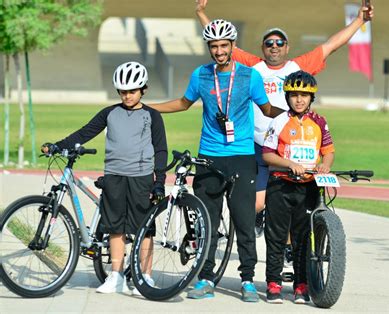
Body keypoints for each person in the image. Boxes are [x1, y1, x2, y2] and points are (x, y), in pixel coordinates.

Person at [195, 0, 373, 238]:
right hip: (258, 145)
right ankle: (258, 217)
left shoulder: (299, 66)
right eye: (269, 43)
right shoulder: (253, 66)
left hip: (290, 147)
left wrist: (360, 20)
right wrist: (201, 13)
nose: (274, 46)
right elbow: (220, 41)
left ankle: (289, 247)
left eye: (280, 42)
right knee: (256, 204)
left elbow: (332, 45)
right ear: (263, 47)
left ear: (287, 47)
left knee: (293, 201)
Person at [147, 19, 283, 302]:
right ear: (209, 47)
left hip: (242, 156)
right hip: (209, 157)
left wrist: (299, 110)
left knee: (244, 221)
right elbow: (183, 104)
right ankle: (205, 278)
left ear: (232, 46)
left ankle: (247, 280)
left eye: (224, 45)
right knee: (205, 222)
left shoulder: (249, 76)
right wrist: (146, 107)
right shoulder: (201, 75)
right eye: (214, 46)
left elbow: (268, 108)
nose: (219, 51)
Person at [41, 61, 168, 295]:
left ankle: (145, 277)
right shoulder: (110, 113)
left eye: (132, 91)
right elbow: (85, 132)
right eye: (123, 91)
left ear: (143, 90)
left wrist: (159, 181)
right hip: (114, 176)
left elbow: (160, 150)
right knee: (115, 227)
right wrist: (58, 146)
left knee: (144, 229)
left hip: (141, 178)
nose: (127, 96)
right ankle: (117, 276)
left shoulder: (152, 116)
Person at [261, 70, 335, 304]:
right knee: (276, 235)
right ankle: (273, 283)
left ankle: (301, 285)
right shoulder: (279, 121)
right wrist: (289, 164)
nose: (299, 99)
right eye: (294, 95)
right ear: (288, 97)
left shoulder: (319, 121)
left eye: (304, 95)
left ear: (311, 98)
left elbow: (329, 151)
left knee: (304, 237)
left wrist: (325, 165)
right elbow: (267, 155)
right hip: (281, 186)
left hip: (308, 188)